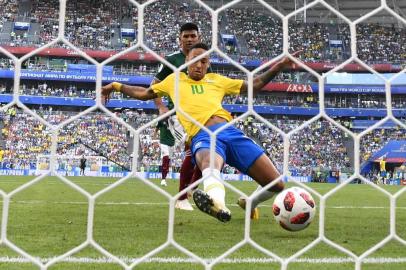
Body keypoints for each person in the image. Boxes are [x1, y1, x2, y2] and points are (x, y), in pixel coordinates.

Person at [102, 43, 299, 223]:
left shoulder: (217, 80)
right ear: (187, 61)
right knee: (210, 163)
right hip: (202, 134)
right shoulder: (174, 81)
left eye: (203, 61)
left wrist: (280, 65)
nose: (199, 65)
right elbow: (144, 94)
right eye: (195, 61)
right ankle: (219, 206)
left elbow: (253, 86)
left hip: (230, 132)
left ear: (208, 64)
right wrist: (115, 85)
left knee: (277, 185)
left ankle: (250, 202)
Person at [151, 22, 206, 210]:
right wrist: (161, 107)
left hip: (202, 114)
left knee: (202, 155)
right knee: (195, 151)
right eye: (186, 36)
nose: (190, 39)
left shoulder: (204, 60)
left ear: (199, 38)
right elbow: (154, 85)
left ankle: (188, 193)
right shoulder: (172, 60)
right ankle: (183, 197)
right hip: (179, 115)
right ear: (180, 39)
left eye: (193, 36)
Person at [155, 119, 175, 186]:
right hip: (163, 142)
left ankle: (164, 179)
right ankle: (163, 179)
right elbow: (157, 128)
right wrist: (154, 139)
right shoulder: (161, 119)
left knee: (168, 161)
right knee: (165, 158)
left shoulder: (174, 119)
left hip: (172, 143)